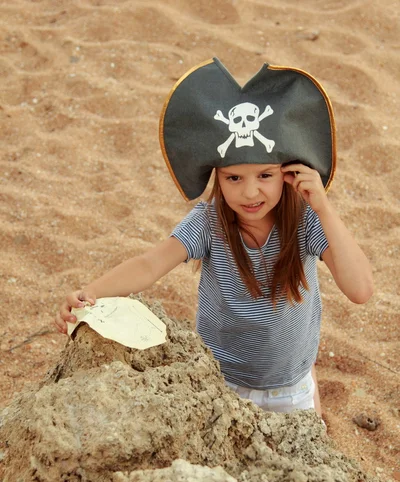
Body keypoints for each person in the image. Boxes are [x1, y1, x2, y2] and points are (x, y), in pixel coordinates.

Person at [55, 58, 373, 418]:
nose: (250, 192)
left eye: (265, 175)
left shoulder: (306, 222)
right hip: (221, 385)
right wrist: (90, 292)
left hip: (292, 387)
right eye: (233, 178)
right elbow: (150, 264)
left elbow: (360, 290)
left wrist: (324, 209)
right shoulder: (209, 223)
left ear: (288, 173)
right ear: (217, 179)